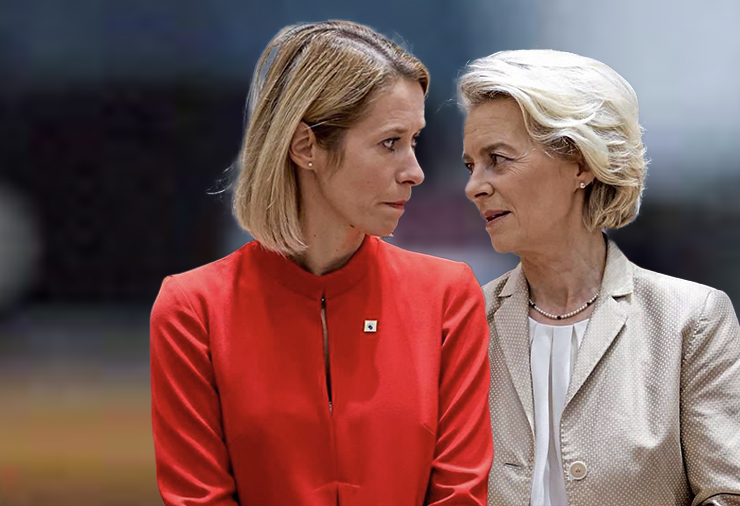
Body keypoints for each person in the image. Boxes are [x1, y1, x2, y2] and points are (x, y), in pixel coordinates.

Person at [150, 21, 492, 506]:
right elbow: (197, 498)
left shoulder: (448, 297)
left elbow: (461, 494)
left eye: (415, 141)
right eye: (390, 142)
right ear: (306, 147)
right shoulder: (192, 310)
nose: (414, 171)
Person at [459, 50, 740, 506]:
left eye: (498, 160)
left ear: (581, 163)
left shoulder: (691, 320)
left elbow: (734, 498)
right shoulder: (462, 323)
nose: (474, 186)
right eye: (471, 166)